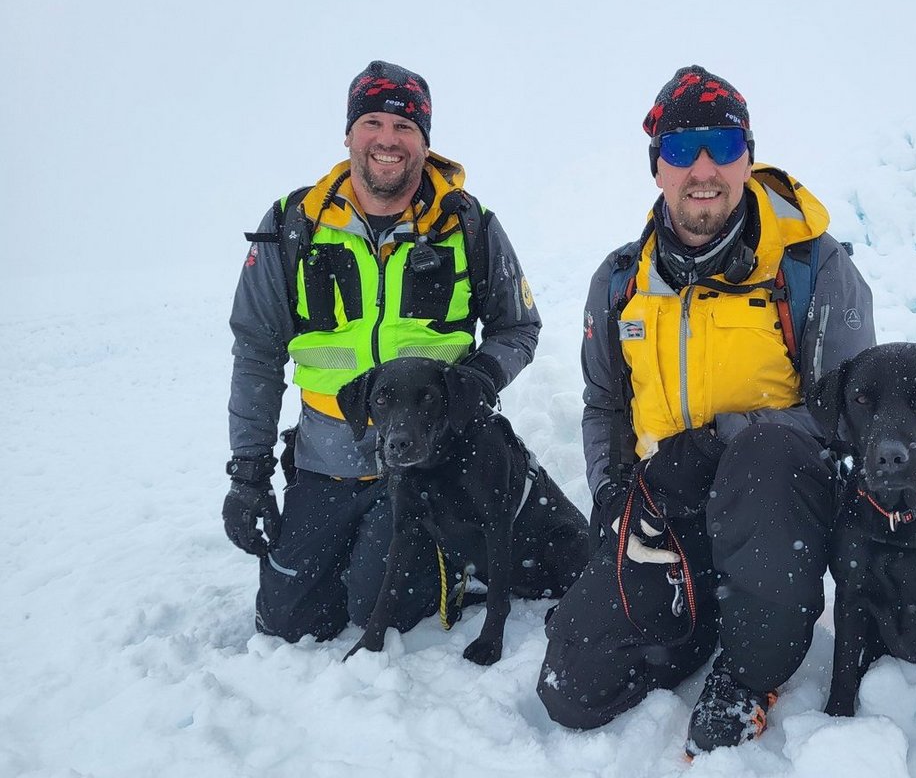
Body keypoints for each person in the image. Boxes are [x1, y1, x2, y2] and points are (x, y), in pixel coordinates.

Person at [537, 65, 876, 756]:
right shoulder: (620, 278)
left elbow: (852, 414)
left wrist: (723, 439)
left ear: (748, 158)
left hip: (777, 502)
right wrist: (610, 492)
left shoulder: (810, 265)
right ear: (656, 165)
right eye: (681, 147)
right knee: (573, 690)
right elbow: (604, 403)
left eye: (722, 147)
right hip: (667, 508)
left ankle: (752, 672)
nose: (703, 169)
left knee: (766, 457)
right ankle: (708, 616)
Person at [222, 60, 541, 644]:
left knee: (382, 608)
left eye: (405, 127)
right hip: (326, 459)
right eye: (373, 122)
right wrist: (248, 475)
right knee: (288, 622)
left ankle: (450, 561)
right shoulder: (293, 225)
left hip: (434, 461)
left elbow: (518, 328)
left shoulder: (468, 224)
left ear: (424, 141)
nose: (387, 141)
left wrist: (479, 380)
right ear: (349, 134)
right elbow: (256, 354)